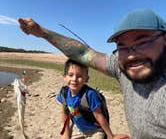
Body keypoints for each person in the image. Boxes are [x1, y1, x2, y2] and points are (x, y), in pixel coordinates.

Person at [18, 8, 166, 139]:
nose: (131, 56)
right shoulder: (123, 68)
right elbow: (83, 53)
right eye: (122, 47)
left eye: (142, 42)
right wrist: (42, 32)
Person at [56, 59, 129, 139]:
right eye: (70, 75)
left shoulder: (90, 95)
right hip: (78, 128)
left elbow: (99, 116)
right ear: (64, 77)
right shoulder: (64, 93)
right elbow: (64, 113)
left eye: (79, 76)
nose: (74, 79)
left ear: (86, 79)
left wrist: (110, 135)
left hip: (95, 130)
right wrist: (66, 133)